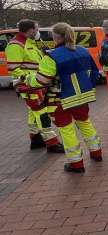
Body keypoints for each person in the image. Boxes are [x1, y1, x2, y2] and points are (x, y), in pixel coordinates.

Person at [26, 23, 102, 173]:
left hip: (61, 99)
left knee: (67, 130)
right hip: (82, 97)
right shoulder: (83, 51)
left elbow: (42, 80)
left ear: (56, 36)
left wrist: (27, 79)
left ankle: (76, 163)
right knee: (85, 124)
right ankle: (96, 152)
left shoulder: (52, 56)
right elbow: (94, 73)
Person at [5, 19, 63, 153]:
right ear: (30, 30)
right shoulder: (16, 45)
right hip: (29, 86)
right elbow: (14, 69)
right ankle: (52, 143)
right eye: (36, 29)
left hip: (35, 85)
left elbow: (35, 62)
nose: (37, 32)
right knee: (41, 113)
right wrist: (31, 78)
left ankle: (36, 138)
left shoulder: (29, 43)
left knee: (33, 112)